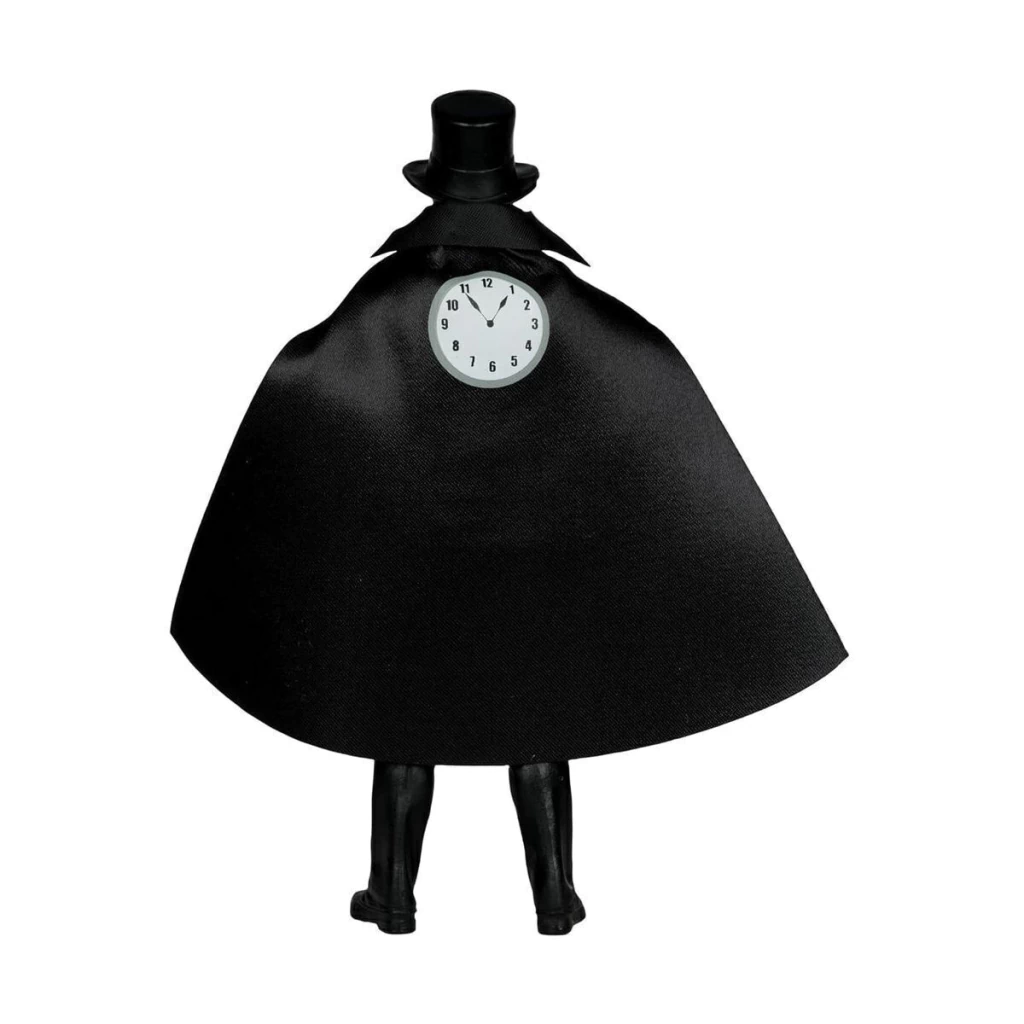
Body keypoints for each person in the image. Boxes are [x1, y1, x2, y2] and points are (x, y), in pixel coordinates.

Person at [172, 90, 847, 935]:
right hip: (534, 555)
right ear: (514, 190)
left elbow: (325, 365)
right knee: (541, 716)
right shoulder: (554, 296)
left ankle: (393, 898)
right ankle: (553, 901)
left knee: (400, 719)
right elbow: (631, 363)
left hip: (419, 555)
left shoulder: (390, 297)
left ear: (432, 188)